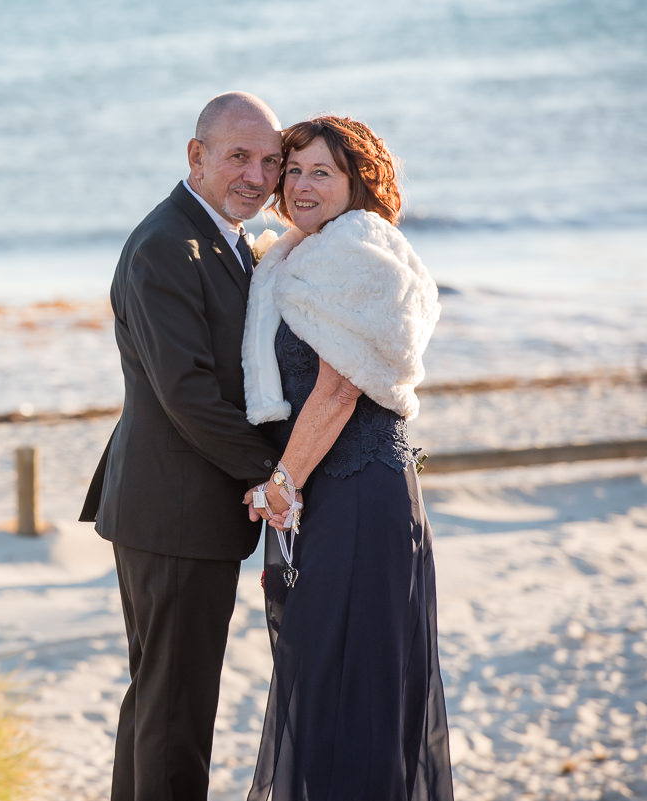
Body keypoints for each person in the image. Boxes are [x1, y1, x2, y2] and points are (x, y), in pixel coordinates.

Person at [240, 115, 454, 800]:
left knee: (353, 690)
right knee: (326, 682)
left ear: (357, 181)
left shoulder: (356, 250)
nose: (302, 186)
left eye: (321, 172)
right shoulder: (309, 252)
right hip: (335, 496)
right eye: (293, 170)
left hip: (359, 494)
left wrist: (281, 484)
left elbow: (336, 390)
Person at [79, 91, 285, 801]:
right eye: (238, 156)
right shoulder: (169, 245)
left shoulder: (225, 239)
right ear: (196, 156)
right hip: (173, 508)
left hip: (176, 506)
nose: (256, 176)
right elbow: (188, 394)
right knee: (175, 712)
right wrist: (277, 476)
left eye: (269, 160)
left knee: (161, 701)